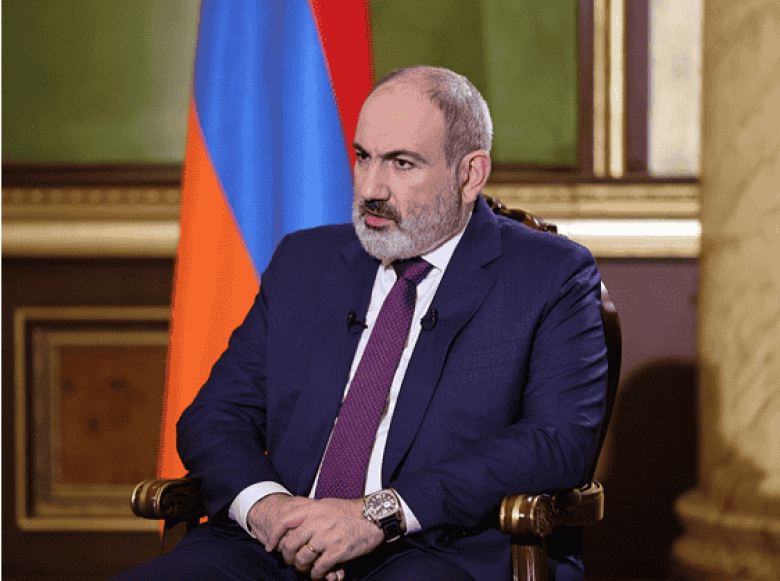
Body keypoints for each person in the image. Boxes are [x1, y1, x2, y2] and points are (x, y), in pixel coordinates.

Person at [113, 66, 608, 581]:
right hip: (274, 546)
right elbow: (215, 415)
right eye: (363, 156)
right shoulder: (304, 261)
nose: (371, 187)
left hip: (435, 549)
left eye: (402, 163)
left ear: (470, 175)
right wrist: (268, 509)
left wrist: (376, 515)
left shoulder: (548, 274)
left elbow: (558, 441)